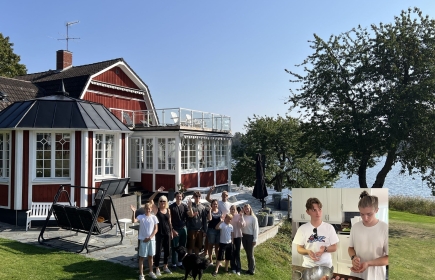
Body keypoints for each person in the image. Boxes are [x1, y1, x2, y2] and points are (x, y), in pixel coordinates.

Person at [348, 191, 388, 280]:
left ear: (377, 210)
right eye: (362, 214)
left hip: (376, 275)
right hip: (356, 273)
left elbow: (388, 258)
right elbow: (350, 248)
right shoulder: (355, 227)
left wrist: (368, 263)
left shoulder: (385, 228)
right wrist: (353, 257)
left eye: (369, 214)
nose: (365, 218)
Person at [292, 197, 339, 268]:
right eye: (314, 210)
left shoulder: (329, 227)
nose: (318, 213)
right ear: (307, 212)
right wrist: (308, 252)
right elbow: (299, 249)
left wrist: (325, 249)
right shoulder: (302, 229)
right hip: (308, 266)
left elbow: (334, 247)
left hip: (326, 266)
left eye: (319, 210)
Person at [131, 202, 159, 280]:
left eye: (149, 209)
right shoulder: (141, 216)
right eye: (146, 209)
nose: (148, 210)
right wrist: (133, 212)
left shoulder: (154, 217)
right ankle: (141, 274)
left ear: (151, 209)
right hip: (143, 240)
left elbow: (156, 229)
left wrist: (150, 237)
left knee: (151, 257)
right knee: (142, 257)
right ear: (144, 209)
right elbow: (133, 221)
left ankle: (151, 272)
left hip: (151, 240)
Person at [153, 195, 173, 276]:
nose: (162, 203)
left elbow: (170, 222)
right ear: (158, 202)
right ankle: (157, 267)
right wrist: (157, 191)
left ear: (166, 202)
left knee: (167, 251)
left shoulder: (168, 210)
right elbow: (150, 200)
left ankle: (165, 266)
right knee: (158, 251)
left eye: (164, 201)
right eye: (160, 201)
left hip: (167, 233)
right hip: (159, 233)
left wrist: (171, 232)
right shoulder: (156, 210)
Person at [169, 191, 188, 269]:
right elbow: (169, 220)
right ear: (175, 197)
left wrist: (190, 207)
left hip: (183, 228)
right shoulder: (171, 207)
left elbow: (189, 215)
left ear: (182, 197)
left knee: (182, 247)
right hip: (175, 229)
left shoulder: (184, 206)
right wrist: (172, 230)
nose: (179, 198)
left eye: (180, 196)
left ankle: (180, 262)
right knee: (174, 247)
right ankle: (173, 263)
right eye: (177, 196)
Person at [186, 191, 208, 255]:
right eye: (196, 196)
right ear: (194, 197)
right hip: (191, 229)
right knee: (190, 246)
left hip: (200, 229)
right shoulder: (190, 205)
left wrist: (205, 230)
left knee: (197, 246)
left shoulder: (203, 207)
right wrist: (190, 208)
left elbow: (204, 220)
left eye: (199, 196)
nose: (197, 197)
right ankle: (189, 260)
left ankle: (196, 260)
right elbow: (188, 216)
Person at [241, 204, 259, 275]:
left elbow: (256, 229)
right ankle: (249, 268)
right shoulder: (243, 216)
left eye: (247, 209)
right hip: (244, 236)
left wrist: (255, 239)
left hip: (250, 237)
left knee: (251, 254)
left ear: (250, 209)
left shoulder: (253, 218)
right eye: (245, 209)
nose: (246, 210)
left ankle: (252, 270)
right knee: (247, 253)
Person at [206, 199, 223, 264]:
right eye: (214, 204)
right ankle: (210, 260)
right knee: (210, 245)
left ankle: (217, 260)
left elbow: (221, 219)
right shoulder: (209, 212)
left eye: (216, 204)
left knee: (217, 246)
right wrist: (210, 210)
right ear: (211, 205)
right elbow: (209, 219)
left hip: (218, 231)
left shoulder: (220, 211)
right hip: (211, 230)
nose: (215, 205)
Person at [230, 206, 244, 276]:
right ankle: (233, 267)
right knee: (232, 252)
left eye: (234, 209)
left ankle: (238, 268)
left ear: (236, 210)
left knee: (237, 252)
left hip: (238, 236)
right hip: (230, 237)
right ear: (230, 210)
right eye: (231, 209)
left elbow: (243, 225)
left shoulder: (238, 215)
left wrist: (241, 217)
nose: (232, 210)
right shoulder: (228, 216)